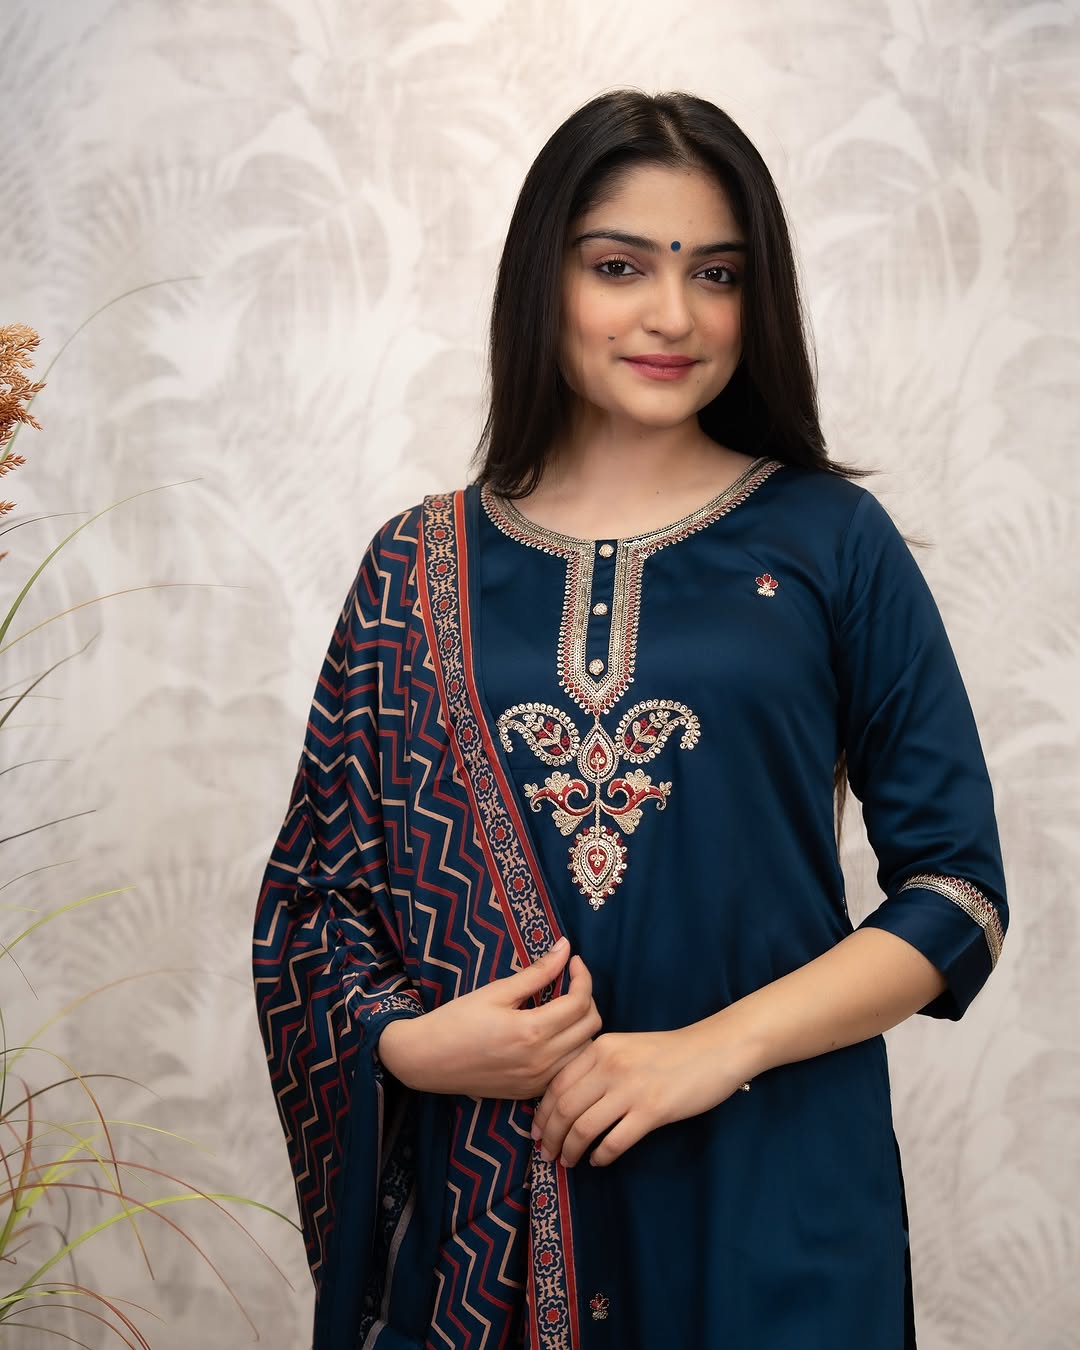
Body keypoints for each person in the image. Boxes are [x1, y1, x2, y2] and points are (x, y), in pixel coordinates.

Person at [253, 89, 1007, 1350]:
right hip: (490, 1203)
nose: (675, 315)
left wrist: (709, 1051)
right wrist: (412, 1045)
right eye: (621, 267)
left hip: (773, 1198)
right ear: (542, 281)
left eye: (717, 273)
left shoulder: (834, 541)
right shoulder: (414, 566)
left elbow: (958, 892)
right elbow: (315, 910)